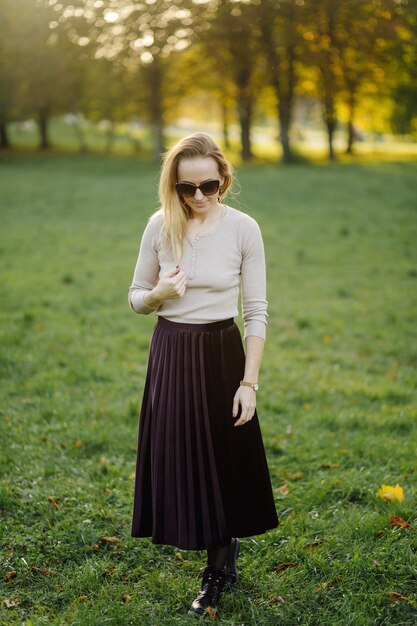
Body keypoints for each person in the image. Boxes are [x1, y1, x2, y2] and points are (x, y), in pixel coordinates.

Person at [128, 132, 278, 619]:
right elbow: (135, 297)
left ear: (224, 181)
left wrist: (248, 383)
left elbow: (255, 311)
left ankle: (217, 568)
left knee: (223, 456)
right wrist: (157, 296)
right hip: (171, 349)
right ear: (171, 186)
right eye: (185, 188)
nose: (196, 197)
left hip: (220, 351)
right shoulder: (160, 225)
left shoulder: (243, 229)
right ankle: (216, 548)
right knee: (183, 451)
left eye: (207, 186)